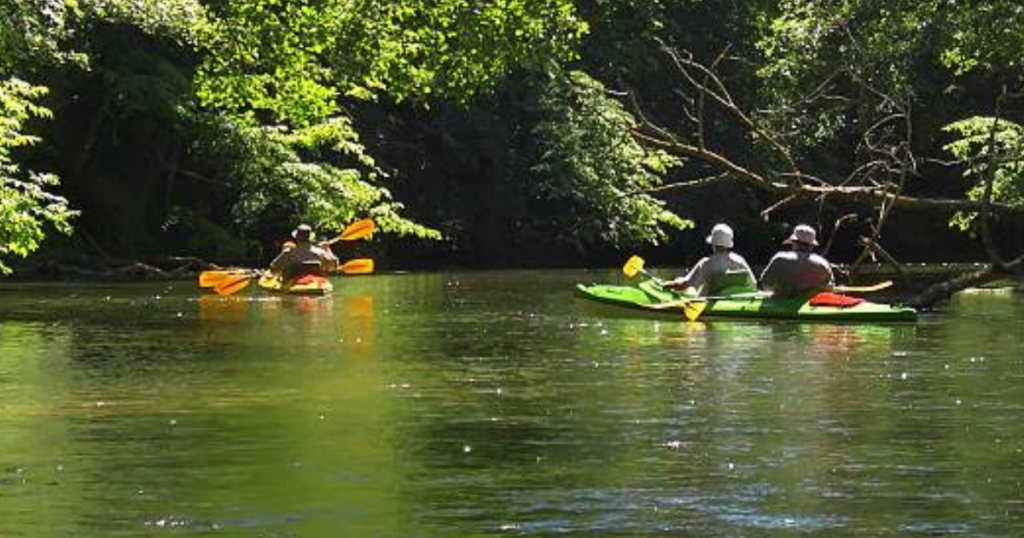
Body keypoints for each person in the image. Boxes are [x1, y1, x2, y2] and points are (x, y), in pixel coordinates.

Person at [664, 223, 757, 296]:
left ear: (713, 244)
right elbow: (753, 284)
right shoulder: (739, 260)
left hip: (709, 303)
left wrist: (666, 285)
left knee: (686, 287)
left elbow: (684, 284)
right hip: (736, 302)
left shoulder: (706, 263)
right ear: (729, 243)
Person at [760, 224, 834, 299]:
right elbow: (831, 287)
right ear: (812, 246)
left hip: (783, 303)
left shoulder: (779, 258)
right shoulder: (823, 263)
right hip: (810, 306)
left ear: (793, 242)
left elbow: (765, 284)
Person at [269, 224, 339, 279]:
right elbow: (334, 266)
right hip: (317, 282)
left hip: (293, 282)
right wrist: (327, 249)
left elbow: (273, 267)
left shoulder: (288, 252)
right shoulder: (320, 252)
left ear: (296, 238)